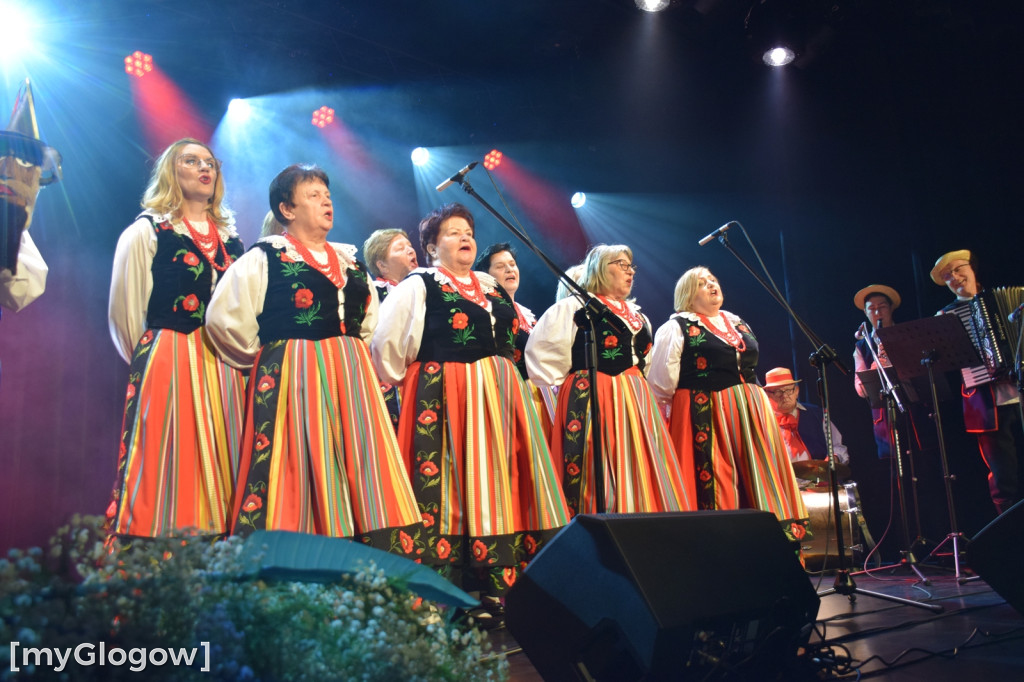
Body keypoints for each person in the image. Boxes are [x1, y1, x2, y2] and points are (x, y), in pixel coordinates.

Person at [205, 164, 423, 551]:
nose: (325, 200)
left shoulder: (351, 263)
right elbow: (225, 321)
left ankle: (372, 574)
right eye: (313, 194)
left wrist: (350, 357)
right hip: (293, 376)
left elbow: (369, 324)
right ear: (287, 209)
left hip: (353, 379)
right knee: (295, 466)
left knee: (363, 465)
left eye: (327, 193)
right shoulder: (265, 257)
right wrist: (273, 358)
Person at [371, 203, 569, 623]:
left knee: (501, 485)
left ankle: (503, 588)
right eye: (452, 232)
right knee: (447, 489)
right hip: (445, 397)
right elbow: (387, 347)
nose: (464, 238)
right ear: (430, 246)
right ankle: (443, 593)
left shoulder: (490, 286)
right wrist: (427, 379)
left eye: (468, 231)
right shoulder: (419, 284)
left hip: (499, 396)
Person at [107, 138, 245, 539]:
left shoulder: (232, 241)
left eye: (210, 162)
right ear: (171, 171)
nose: (204, 168)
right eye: (191, 161)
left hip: (226, 366)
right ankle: (162, 562)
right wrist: (154, 360)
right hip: (169, 358)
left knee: (226, 457)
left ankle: (222, 567)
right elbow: (126, 314)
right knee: (170, 459)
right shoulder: (147, 231)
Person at [526, 244, 691, 516]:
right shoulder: (573, 308)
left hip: (636, 397)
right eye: (621, 264)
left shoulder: (638, 317)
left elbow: (646, 364)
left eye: (631, 266)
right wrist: (573, 386)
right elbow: (542, 358)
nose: (630, 272)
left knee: (639, 461)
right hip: (591, 394)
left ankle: (643, 525)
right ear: (600, 269)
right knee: (594, 465)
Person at [647, 267, 806, 536]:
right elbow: (661, 383)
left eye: (713, 280)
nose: (711, 285)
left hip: (750, 410)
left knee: (758, 475)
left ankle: (767, 541)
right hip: (705, 411)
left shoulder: (736, 322)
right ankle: (720, 541)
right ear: (687, 293)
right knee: (715, 476)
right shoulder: (676, 327)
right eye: (702, 283)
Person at [931, 249, 1024, 515]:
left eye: (959, 270)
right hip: (986, 399)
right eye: (948, 276)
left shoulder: (1013, 301)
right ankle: (1010, 526)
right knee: (1002, 472)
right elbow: (948, 362)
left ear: (972, 269)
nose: (955, 278)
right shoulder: (946, 316)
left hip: (1020, 389)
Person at [0, 79, 60, 315]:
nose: (9, 170)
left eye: (24, 162)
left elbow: (22, 292)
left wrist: (8, 236)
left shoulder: (12, 226)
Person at [363, 228, 419, 428]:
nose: (411, 251)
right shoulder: (374, 293)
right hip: (389, 386)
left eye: (410, 246)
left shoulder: (424, 291)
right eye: (400, 248)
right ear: (382, 265)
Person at [763, 367, 850, 468]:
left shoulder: (817, 414)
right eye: (778, 392)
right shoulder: (762, 422)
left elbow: (838, 447)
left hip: (819, 481)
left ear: (796, 391)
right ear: (767, 394)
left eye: (788, 390)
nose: (785, 396)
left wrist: (834, 458)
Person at [852, 284, 902, 458]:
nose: (877, 312)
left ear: (891, 309)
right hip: (884, 415)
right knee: (895, 468)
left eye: (882, 307)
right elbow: (860, 390)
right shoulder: (861, 346)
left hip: (911, 408)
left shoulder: (906, 334)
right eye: (871, 309)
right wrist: (876, 366)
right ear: (865, 313)